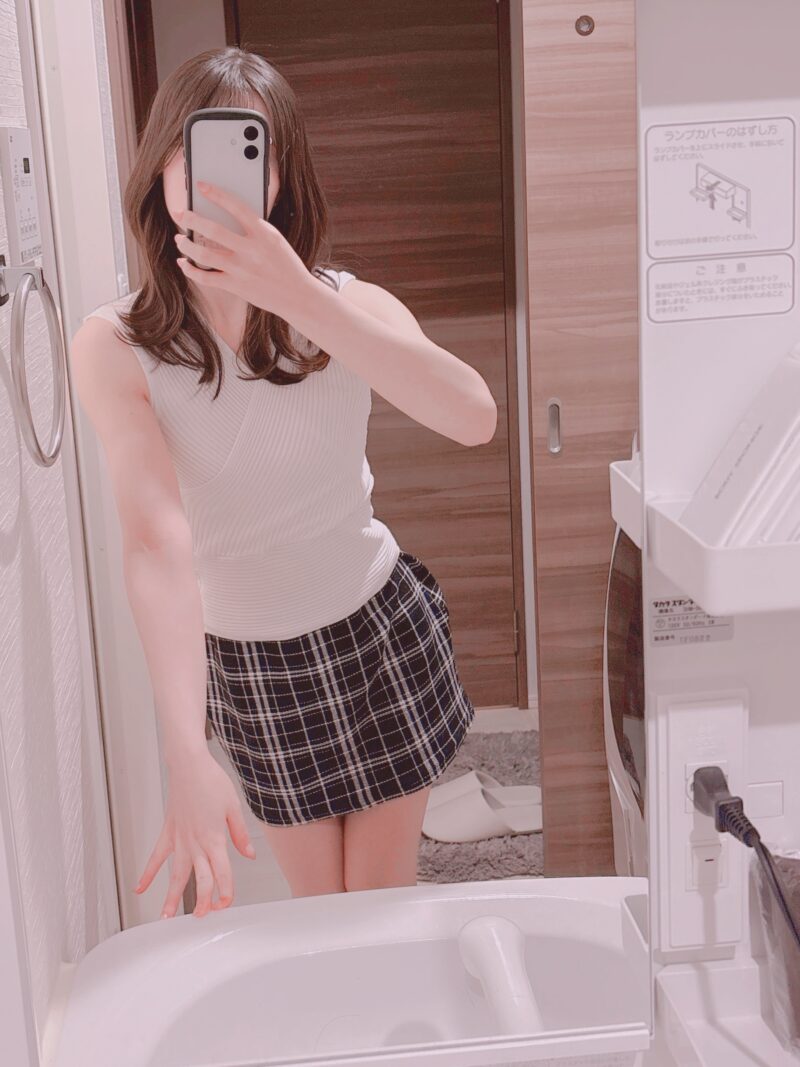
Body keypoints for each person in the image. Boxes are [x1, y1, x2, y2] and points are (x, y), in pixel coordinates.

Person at [70, 47, 496, 919]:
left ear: (278, 177)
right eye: (196, 147)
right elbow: (156, 543)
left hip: (379, 629)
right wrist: (185, 751)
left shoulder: (345, 305)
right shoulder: (115, 346)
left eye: (249, 148)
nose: (217, 176)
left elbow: (472, 416)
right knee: (320, 915)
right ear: (161, 167)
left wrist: (301, 299)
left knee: (379, 905)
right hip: (255, 666)